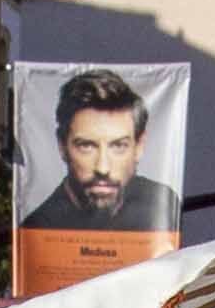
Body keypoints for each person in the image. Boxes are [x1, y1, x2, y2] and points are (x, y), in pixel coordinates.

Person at [22, 72, 179, 241]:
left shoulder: (161, 205)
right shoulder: (38, 227)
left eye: (118, 145)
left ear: (139, 146)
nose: (102, 168)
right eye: (87, 146)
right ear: (62, 146)